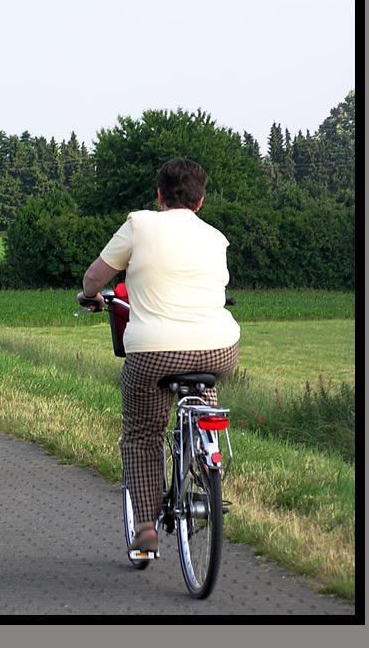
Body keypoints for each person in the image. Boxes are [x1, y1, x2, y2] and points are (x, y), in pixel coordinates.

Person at [76, 157, 240, 554]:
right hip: (219, 350)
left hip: (154, 351)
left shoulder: (140, 223)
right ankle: (208, 451)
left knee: (143, 433)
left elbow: (96, 276)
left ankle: (146, 525)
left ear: (159, 195)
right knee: (204, 398)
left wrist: (91, 295)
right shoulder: (216, 238)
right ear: (200, 202)